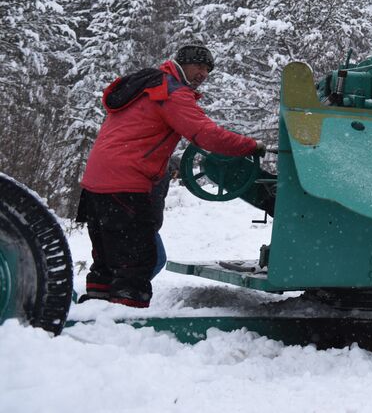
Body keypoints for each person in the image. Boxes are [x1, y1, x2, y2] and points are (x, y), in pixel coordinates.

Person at [77, 44, 262, 308]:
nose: (203, 74)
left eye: (208, 70)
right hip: (126, 184)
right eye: (198, 66)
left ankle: (95, 311)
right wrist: (251, 145)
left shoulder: (144, 87)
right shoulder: (171, 92)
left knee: (107, 258)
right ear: (182, 64)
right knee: (137, 261)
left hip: (97, 182)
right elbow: (205, 135)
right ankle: (124, 320)